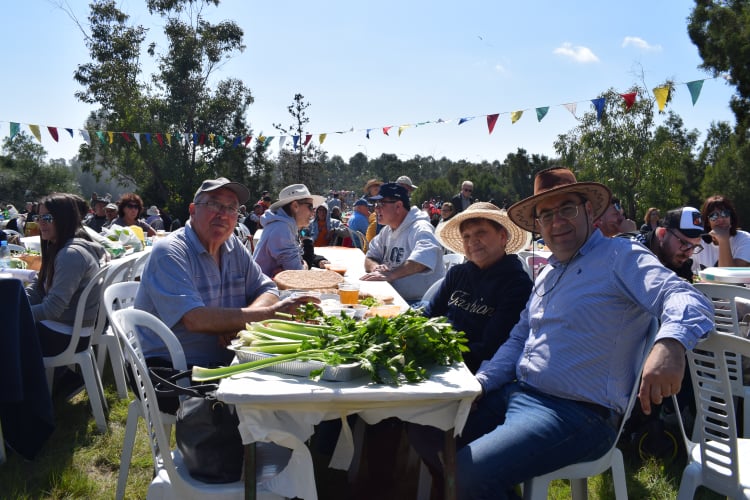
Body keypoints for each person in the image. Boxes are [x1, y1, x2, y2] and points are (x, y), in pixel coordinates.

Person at [411, 167, 714, 499]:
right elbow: (519, 338)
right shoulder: (548, 271)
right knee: (425, 429)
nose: (556, 222)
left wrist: (670, 343)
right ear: (538, 225)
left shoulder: (620, 257)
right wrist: (482, 382)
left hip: (578, 414)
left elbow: (686, 297)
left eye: (566, 208)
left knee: (468, 475)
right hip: (519, 394)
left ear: (588, 210)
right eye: (546, 214)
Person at [134, 177, 314, 368]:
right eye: (214, 204)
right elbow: (195, 319)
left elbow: (268, 290)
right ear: (193, 210)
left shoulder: (232, 245)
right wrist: (269, 313)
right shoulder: (170, 251)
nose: (223, 214)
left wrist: (238, 323)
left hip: (227, 360)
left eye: (231, 208)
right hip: (174, 369)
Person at [429, 202, 532, 373]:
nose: (472, 241)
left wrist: (438, 356)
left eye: (480, 232)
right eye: (466, 236)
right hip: (438, 357)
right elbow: (430, 313)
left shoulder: (517, 285)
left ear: (502, 237)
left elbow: (490, 347)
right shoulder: (457, 273)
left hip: (469, 371)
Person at [25, 193, 107, 357]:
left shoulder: (70, 255)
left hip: (66, 335)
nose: (40, 222)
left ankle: (24, 381)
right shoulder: (57, 246)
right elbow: (38, 287)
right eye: (38, 217)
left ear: (63, 219)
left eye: (47, 217)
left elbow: (53, 308)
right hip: (64, 328)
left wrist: (17, 313)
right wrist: (16, 302)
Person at [361, 183, 445, 303]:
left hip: (420, 302)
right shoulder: (387, 230)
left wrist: (391, 275)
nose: (376, 209)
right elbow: (370, 257)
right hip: (394, 297)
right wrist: (376, 267)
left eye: (381, 204)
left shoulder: (420, 228)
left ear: (398, 206)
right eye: (375, 204)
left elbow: (423, 260)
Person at [254, 184, 328, 277]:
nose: (313, 212)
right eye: (310, 207)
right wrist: (304, 264)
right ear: (295, 206)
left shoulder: (283, 225)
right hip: (267, 289)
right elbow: (297, 273)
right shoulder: (281, 228)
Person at [628, 207, 705, 282]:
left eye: (694, 247)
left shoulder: (682, 263)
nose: (689, 254)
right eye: (685, 243)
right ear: (663, 234)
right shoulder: (630, 249)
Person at [692, 194, 750, 271]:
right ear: (707, 222)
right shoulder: (698, 242)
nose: (720, 219)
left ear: (731, 217)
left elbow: (729, 277)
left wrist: (723, 240)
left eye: (725, 213)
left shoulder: (745, 239)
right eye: (714, 216)